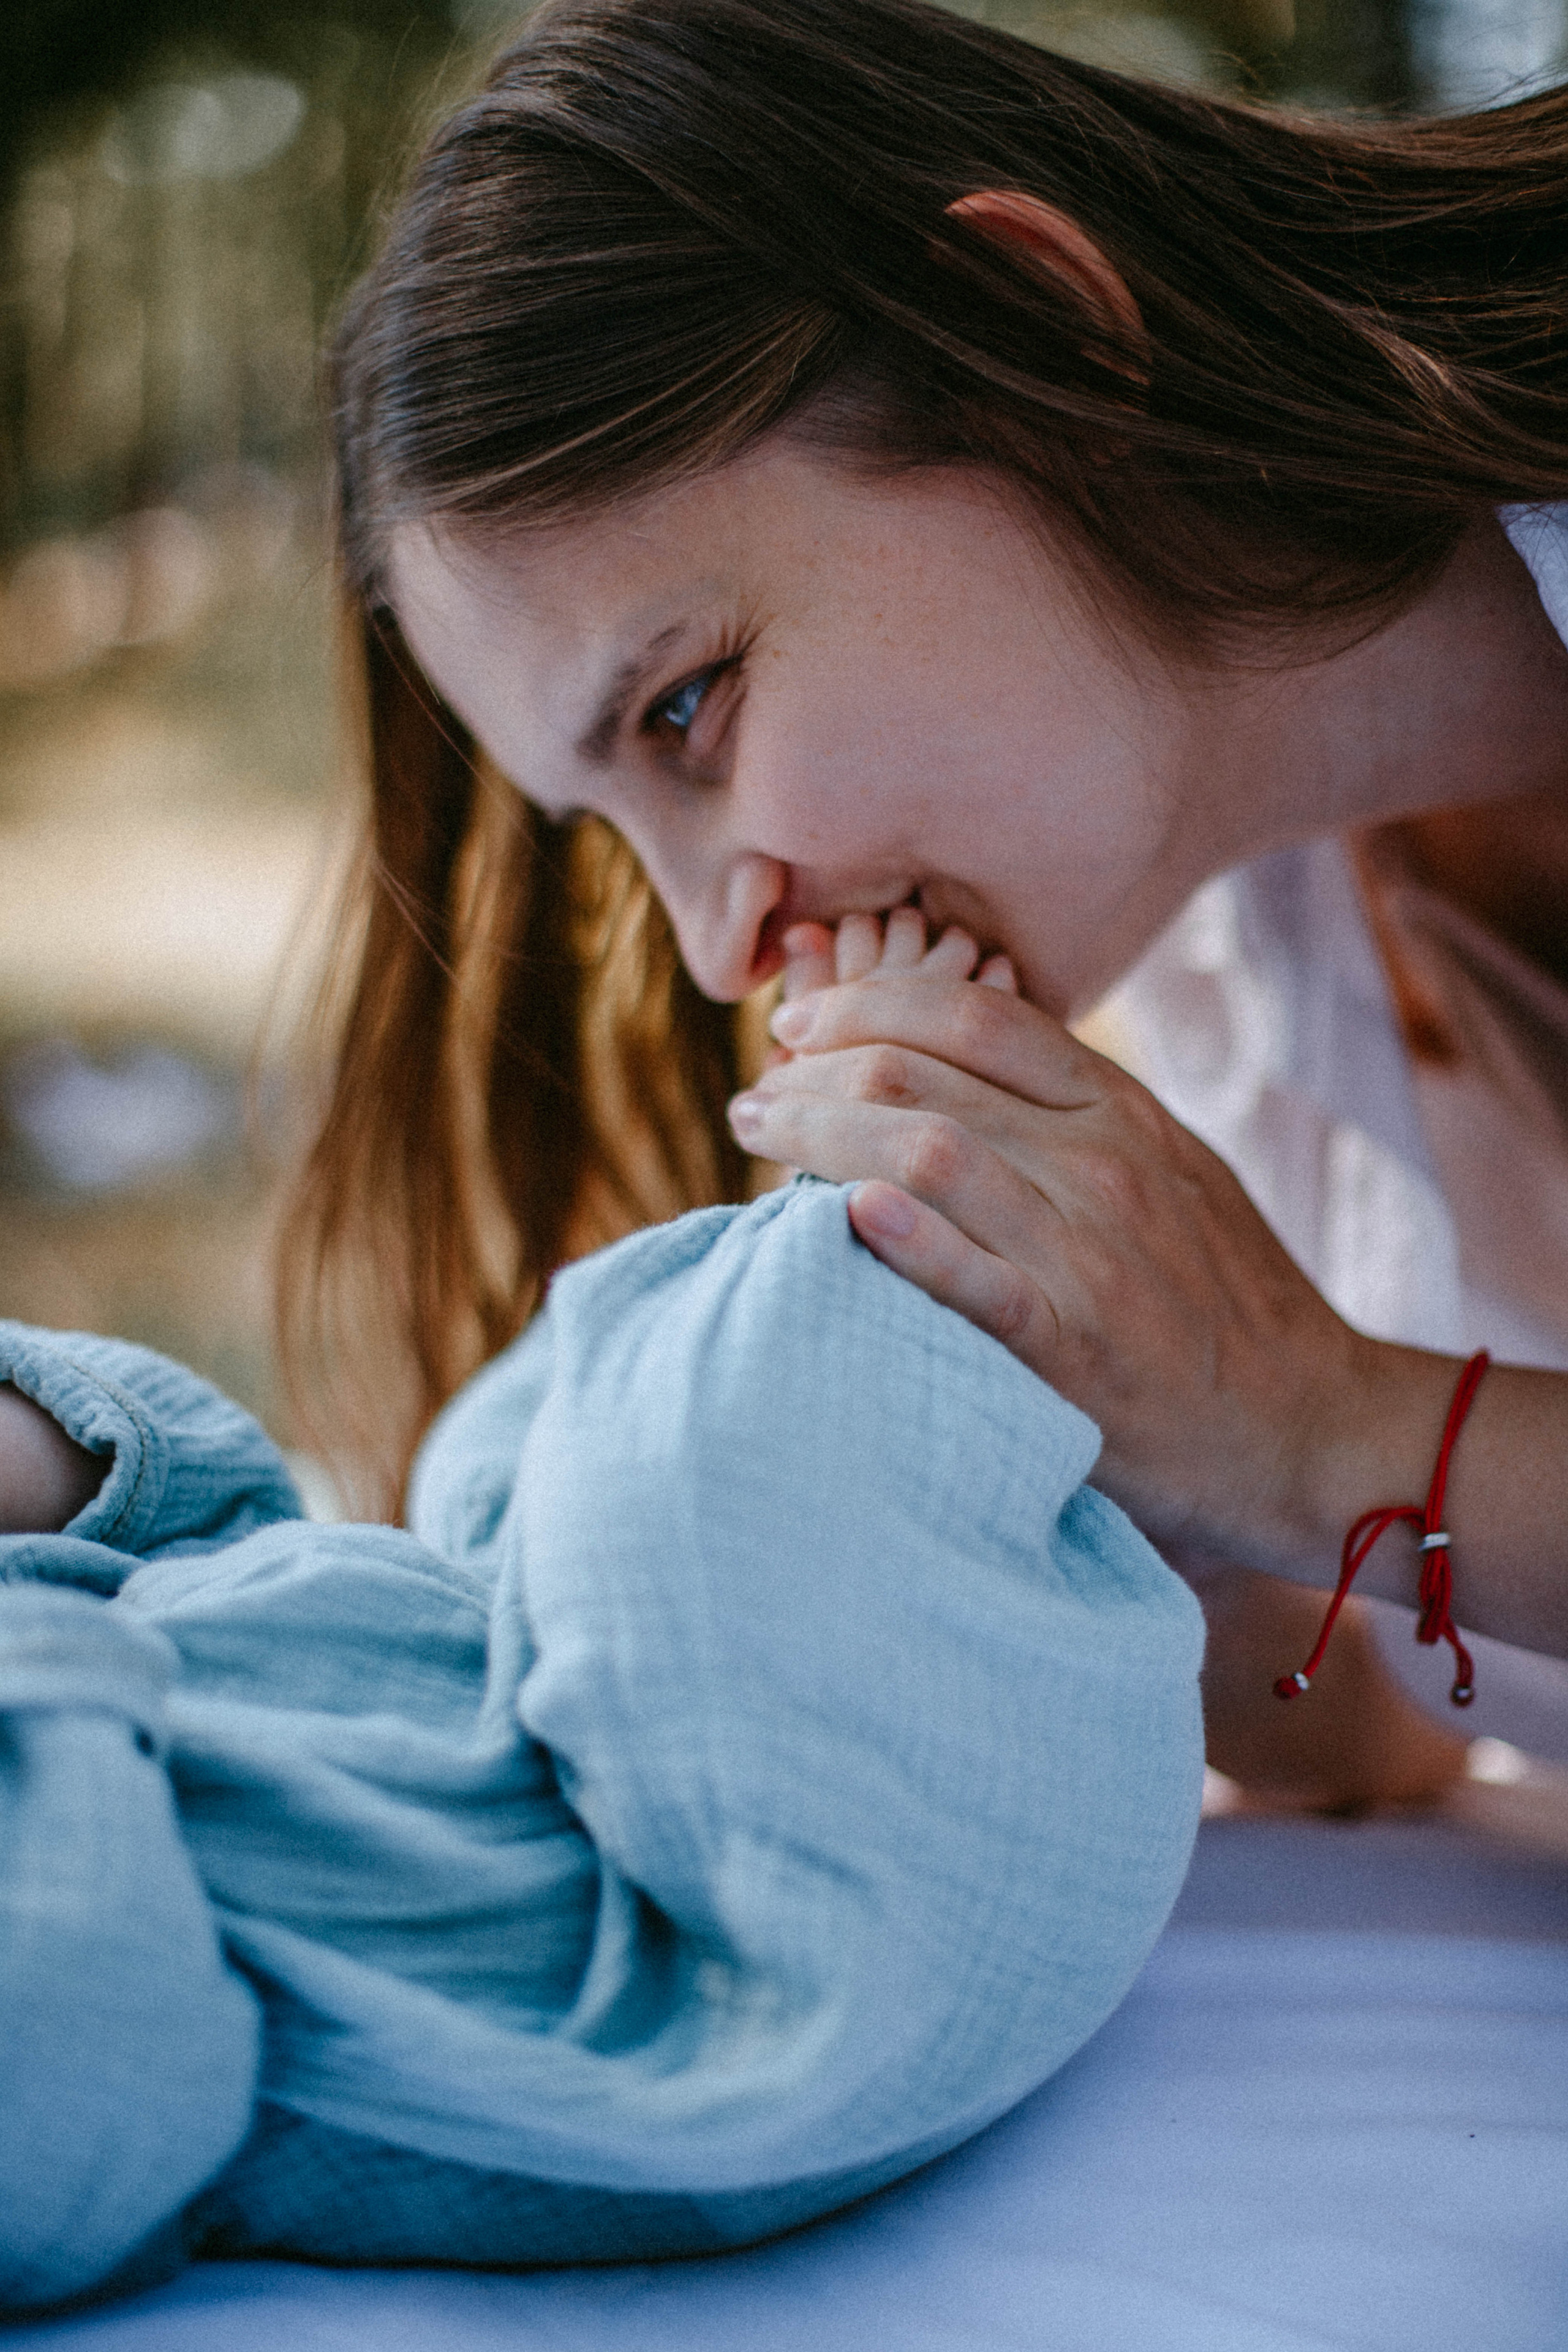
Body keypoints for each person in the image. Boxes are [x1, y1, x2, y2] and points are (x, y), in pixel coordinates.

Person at [299, 0, 1568, 1797]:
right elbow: (1416, 1715)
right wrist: (1146, 1496)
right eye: (612, 829)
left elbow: (1352, 1460)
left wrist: (1316, 1418)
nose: (722, 949)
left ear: (1026, 345)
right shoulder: (1246, 936)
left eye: (687, 708)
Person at [0, 1152, 1202, 2315]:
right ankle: (914, 1209)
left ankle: (894, 1275)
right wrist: (41, 1645)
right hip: (730, 1920)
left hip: (506, 1651)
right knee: (713, 1400)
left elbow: (229, 1497)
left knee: (506, 1438)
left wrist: (57, 1467)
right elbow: (106, 2068)